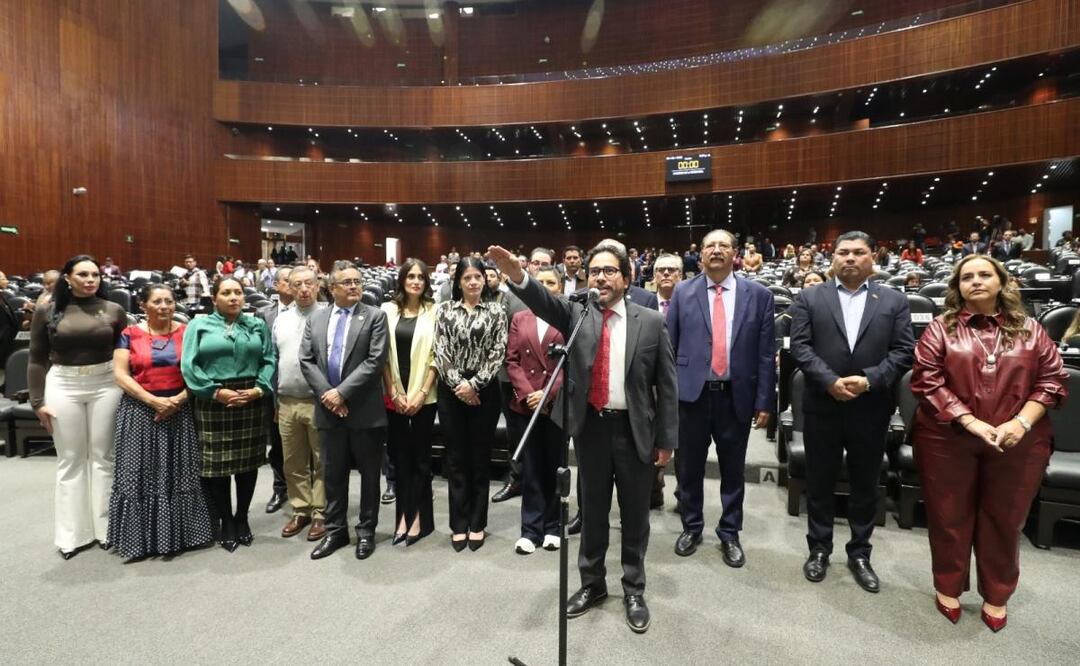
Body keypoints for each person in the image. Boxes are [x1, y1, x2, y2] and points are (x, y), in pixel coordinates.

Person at [489, 241, 678, 635]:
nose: (601, 277)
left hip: (634, 430)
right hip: (591, 429)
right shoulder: (578, 313)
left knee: (634, 518)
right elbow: (541, 300)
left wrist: (667, 439)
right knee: (591, 513)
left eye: (610, 271)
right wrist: (517, 275)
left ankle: (633, 589)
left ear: (627, 278)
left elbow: (667, 385)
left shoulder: (652, 321)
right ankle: (592, 585)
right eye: (595, 271)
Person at [910, 255, 1066, 631]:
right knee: (948, 516)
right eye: (967, 277)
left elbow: (1053, 381)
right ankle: (948, 587)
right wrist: (971, 422)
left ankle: (997, 594)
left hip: (1019, 441)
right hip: (947, 437)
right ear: (957, 286)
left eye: (984, 274)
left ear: (1001, 282)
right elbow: (926, 380)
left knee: (1005, 518)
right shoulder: (940, 328)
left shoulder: (1032, 330)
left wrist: (1020, 422)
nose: (975, 281)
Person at [789, 231, 915, 592]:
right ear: (833, 258)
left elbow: (904, 351)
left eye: (858, 252)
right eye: (843, 252)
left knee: (865, 483)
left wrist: (868, 380)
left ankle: (860, 552)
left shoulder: (893, 300)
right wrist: (829, 381)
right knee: (820, 481)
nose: (850, 258)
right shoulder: (810, 296)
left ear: (872, 257)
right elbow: (800, 346)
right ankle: (819, 548)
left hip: (870, 406)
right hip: (822, 404)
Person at [667, 230, 775, 566]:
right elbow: (669, 348)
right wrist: (668, 398)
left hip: (735, 396)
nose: (716, 250)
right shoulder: (682, 291)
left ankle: (730, 532)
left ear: (735, 253)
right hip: (691, 397)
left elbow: (765, 354)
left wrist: (764, 401)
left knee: (732, 470)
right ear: (699, 254)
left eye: (723, 245)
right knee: (688, 468)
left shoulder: (758, 295)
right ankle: (692, 526)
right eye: (709, 246)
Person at [29, 255, 126, 559]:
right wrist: (37, 401)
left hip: (106, 384)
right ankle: (71, 535)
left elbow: (126, 351)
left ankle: (106, 529)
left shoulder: (114, 310)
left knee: (103, 458)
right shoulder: (47, 310)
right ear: (67, 278)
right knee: (70, 460)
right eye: (82, 274)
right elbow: (35, 358)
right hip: (63, 386)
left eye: (95, 275)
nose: (90, 280)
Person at [108, 284, 213, 559]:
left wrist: (177, 400)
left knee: (180, 472)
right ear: (143, 305)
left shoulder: (187, 332)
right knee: (139, 473)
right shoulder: (128, 334)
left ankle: (184, 535)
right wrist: (153, 401)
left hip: (180, 409)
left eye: (169, 301)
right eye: (158, 301)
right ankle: (140, 540)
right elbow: (120, 374)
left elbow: (200, 372)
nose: (165, 306)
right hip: (139, 411)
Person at [298, 264, 389, 561]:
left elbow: (375, 362)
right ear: (332, 288)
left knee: (368, 476)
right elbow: (307, 360)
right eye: (347, 282)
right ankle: (336, 531)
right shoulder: (317, 318)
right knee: (333, 475)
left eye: (358, 282)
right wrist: (329, 395)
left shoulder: (374, 316)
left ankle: (366, 531)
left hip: (364, 410)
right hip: (328, 410)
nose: (354, 286)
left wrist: (342, 393)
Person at [181, 277, 275, 552]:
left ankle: (242, 517)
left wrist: (260, 389)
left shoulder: (256, 324)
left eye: (238, 292)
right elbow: (189, 365)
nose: (234, 297)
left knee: (247, 465)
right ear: (214, 297)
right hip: (213, 399)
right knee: (217, 467)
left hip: (251, 398)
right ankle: (226, 521)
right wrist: (213, 391)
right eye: (227, 293)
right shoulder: (198, 325)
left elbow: (268, 359)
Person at [433, 257, 508, 551]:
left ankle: (477, 522)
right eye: (467, 278)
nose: (474, 282)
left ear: (485, 280)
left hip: (484, 391)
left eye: (478, 276)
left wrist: (474, 385)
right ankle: (458, 523)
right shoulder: (445, 310)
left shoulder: (497, 311)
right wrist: (459, 386)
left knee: (479, 457)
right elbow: (440, 351)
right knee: (455, 459)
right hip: (451, 391)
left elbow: (497, 352)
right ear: (458, 282)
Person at [506, 265, 566, 555]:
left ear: (561, 288)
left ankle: (553, 527)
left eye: (550, 282)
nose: (544, 286)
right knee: (530, 469)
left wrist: (548, 394)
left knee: (554, 466)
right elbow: (512, 361)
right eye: (539, 281)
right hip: (526, 404)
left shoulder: (568, 317)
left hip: (555, 404)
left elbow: (572, 363)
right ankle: (531, 529)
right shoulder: (519, 317)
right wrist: (530, 394)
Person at [381, 259, 439, 547]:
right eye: (411, 276)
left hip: (424, 398)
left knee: (420, 459)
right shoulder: (387, 311)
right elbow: (381, 356)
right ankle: (402, 516)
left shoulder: (434, 312)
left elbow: (437, 357)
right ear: (402, 279)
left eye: (421, 277)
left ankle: (420, 518)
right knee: (399, 459)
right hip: (394, 397)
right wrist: (393, 392)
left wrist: (420, 394)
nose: (416, 281)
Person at [272, 267, 327, 542]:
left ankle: (320, 512)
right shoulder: (279, 319)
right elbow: (275, 361)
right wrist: (275, 401)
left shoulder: (329, 315)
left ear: (317, 286)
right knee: (292, 461)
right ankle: (301, 508)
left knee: (321, 460)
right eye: (297, 285)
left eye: (309, 283)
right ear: (289, 289)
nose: (304, 289)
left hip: (318, 401)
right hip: (287, 400)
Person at [258, 266, 293, 514]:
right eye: (287, 280)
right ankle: (280, 487)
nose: (293, 284)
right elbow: (261, 352)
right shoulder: (264, 314)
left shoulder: (315, 313)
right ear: (276, 285)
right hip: (273, 386)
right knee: (278, 443)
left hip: (302, 387)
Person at [651, 253, 684, 508]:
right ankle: (653, 490)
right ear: (653, 276)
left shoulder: (692, 304)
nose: (666, 274)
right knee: (649, 442)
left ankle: (684, 496)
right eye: (660, 270)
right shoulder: (641, 303)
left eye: (671, 270)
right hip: (649, 387)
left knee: (684, 446)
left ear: (680, 275)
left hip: (684, 387)